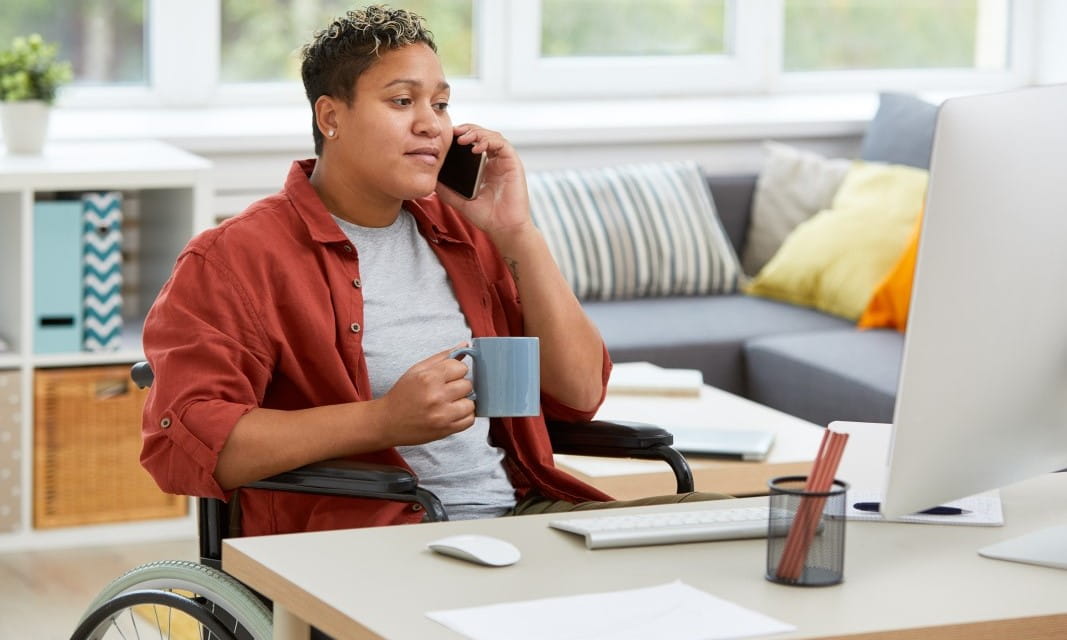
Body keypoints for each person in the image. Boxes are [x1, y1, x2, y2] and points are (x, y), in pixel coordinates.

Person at [140, 5, 723, 537]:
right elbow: (189, 441)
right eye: (402, 101)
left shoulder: (462, 233)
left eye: (440, 105)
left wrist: (517, 232)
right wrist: (383, 421)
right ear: (330, 116)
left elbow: (579, 391)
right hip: (371, 540)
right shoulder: (234, 259)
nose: (431, 125)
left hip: (518, 519)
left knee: (732, 538)